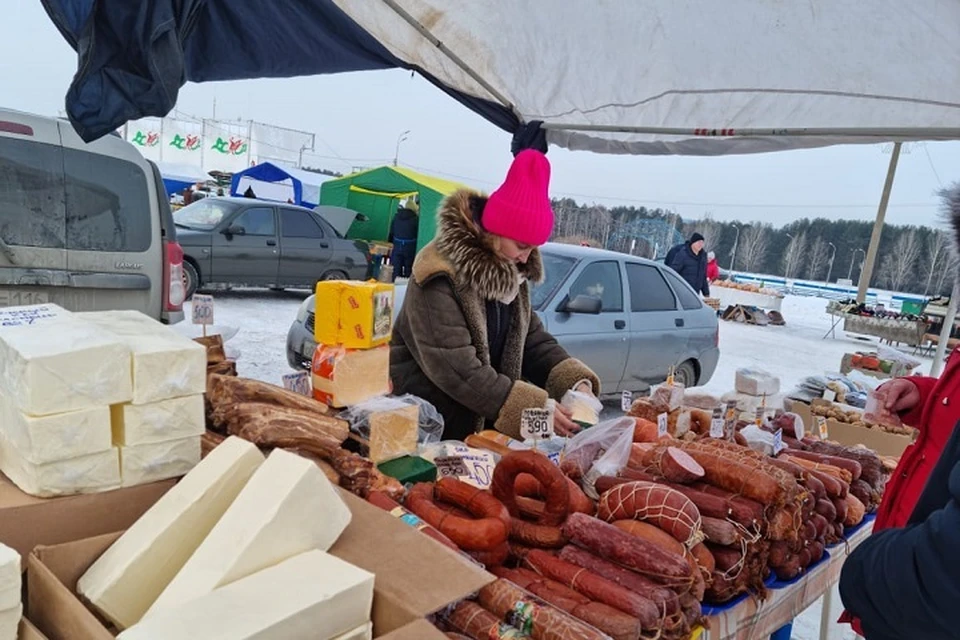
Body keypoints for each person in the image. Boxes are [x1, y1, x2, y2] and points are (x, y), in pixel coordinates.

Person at [391, 150, 600, 441]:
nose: (526, 257)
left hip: (482, 433)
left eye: (532, 249)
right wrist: (533, 407)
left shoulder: (512, 272)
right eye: (521, 245)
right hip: (429, 427)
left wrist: (574, 384)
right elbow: (457, 369)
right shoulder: (439, 274)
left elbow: (530, 339)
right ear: (495, 231)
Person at [838, 183, 960, 637]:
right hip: (907, 568)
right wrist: (922, 393)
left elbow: (946, 575)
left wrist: (865, 573)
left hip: (914, 597)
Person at [389, 196, 420, 280]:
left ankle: (394, 286)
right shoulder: (416, 219)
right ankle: (405, 288)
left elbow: (392, 231)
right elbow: (418, 233)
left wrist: (391, 241)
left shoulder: (396, 217)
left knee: (396, 268)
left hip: (397, 244)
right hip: (410, 247)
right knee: (408, 269)